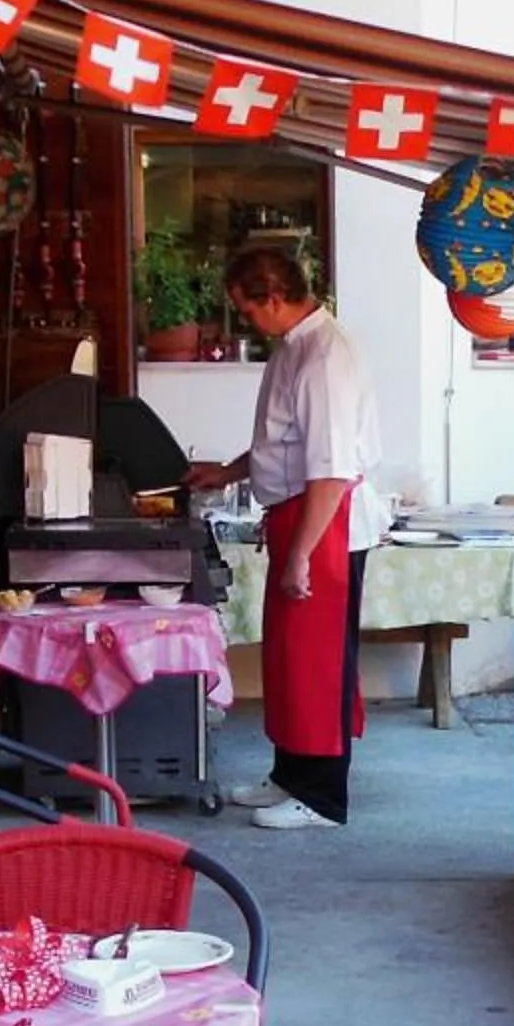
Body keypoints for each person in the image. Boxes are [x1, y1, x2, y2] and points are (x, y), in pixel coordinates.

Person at [184, 248, 385, 829]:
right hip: (297, 512)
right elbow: (282, 442)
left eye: (248, 309)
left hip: (326, 519)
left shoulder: (326, 358)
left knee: (319, 661)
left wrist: (300, 555)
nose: (247, 321)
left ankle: (322, 797)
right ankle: (290, 774)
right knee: (291, 658)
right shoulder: (293, 348)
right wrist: (226, 472)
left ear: (274, 298)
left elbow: (329, 466)